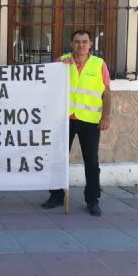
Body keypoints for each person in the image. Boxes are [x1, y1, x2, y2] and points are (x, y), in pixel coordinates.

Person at [41, 30, 111, 216]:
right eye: (77, 42)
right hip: (65, 119)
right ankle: (56, 196)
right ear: (71, 44)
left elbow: (107, 93)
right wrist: (60, 69)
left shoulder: (99, 64)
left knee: (91, 161)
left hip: (89, 121)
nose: (81, 45)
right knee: (58, 158)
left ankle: (92, 200)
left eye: (84, 42)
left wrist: (106, 117)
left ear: (90, 45)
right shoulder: (62, 61)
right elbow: (48, 83)